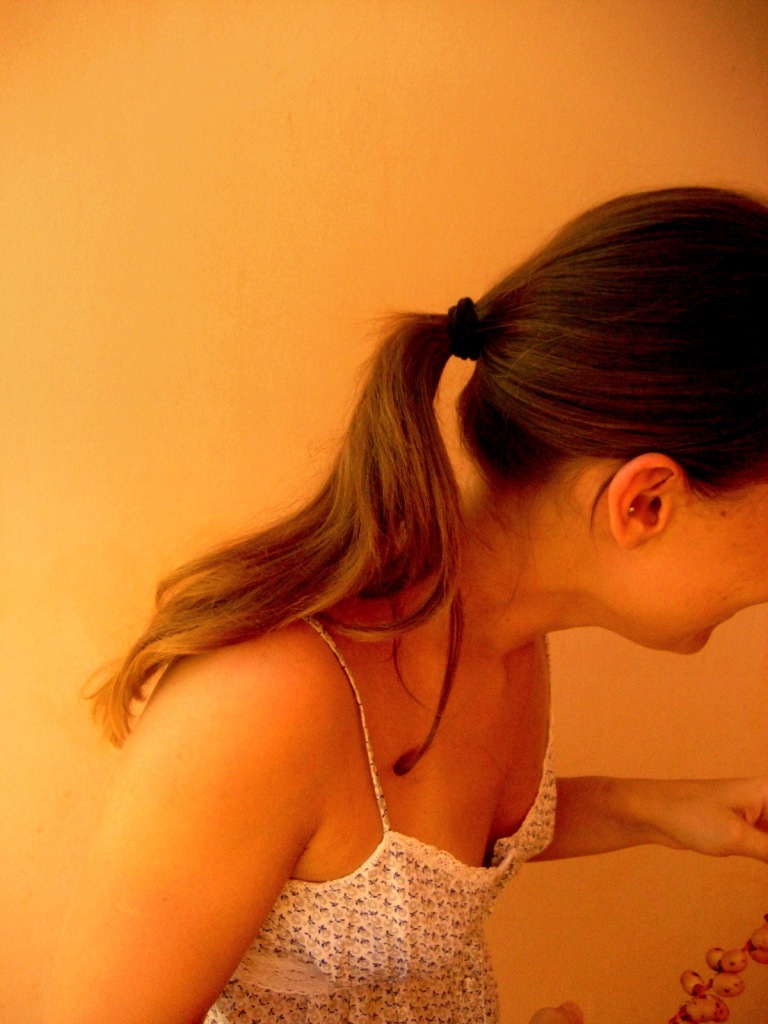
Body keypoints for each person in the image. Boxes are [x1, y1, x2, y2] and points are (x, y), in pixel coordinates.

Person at [43, 187, 768, 1024]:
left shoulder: (506, 635)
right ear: (644, 503)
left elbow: (411, 849)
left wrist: (665, 811)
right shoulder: (269, 700)